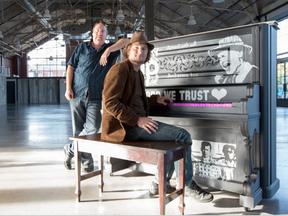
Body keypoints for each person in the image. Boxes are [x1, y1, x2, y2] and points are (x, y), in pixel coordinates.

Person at [101, 32, 214, 203]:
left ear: (147, 54)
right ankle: (188, 183)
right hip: (124, 128)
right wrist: (137, 120)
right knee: (183, 136)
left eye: (144, 49)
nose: (140, 52)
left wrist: (155, 100)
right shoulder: (120, 69)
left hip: (134, 123)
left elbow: (134, 100)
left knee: (173, 141)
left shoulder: (138, 73)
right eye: (136, 48)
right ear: (128, 51)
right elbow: (109, 103)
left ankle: (157, 183)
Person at [63, 20, 130, 172]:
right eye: (97, 31)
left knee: (92, 128)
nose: (99, 33)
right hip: (77, 93)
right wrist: (68, 88)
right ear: (92, 33)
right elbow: (71, 67)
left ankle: (70, 150)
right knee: (78, 128)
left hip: (96, 96)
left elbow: (128, 40)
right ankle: (86, 160)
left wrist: (107, 51)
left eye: (103, 31)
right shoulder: (81, 48)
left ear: (106, 35)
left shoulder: (110, 50)